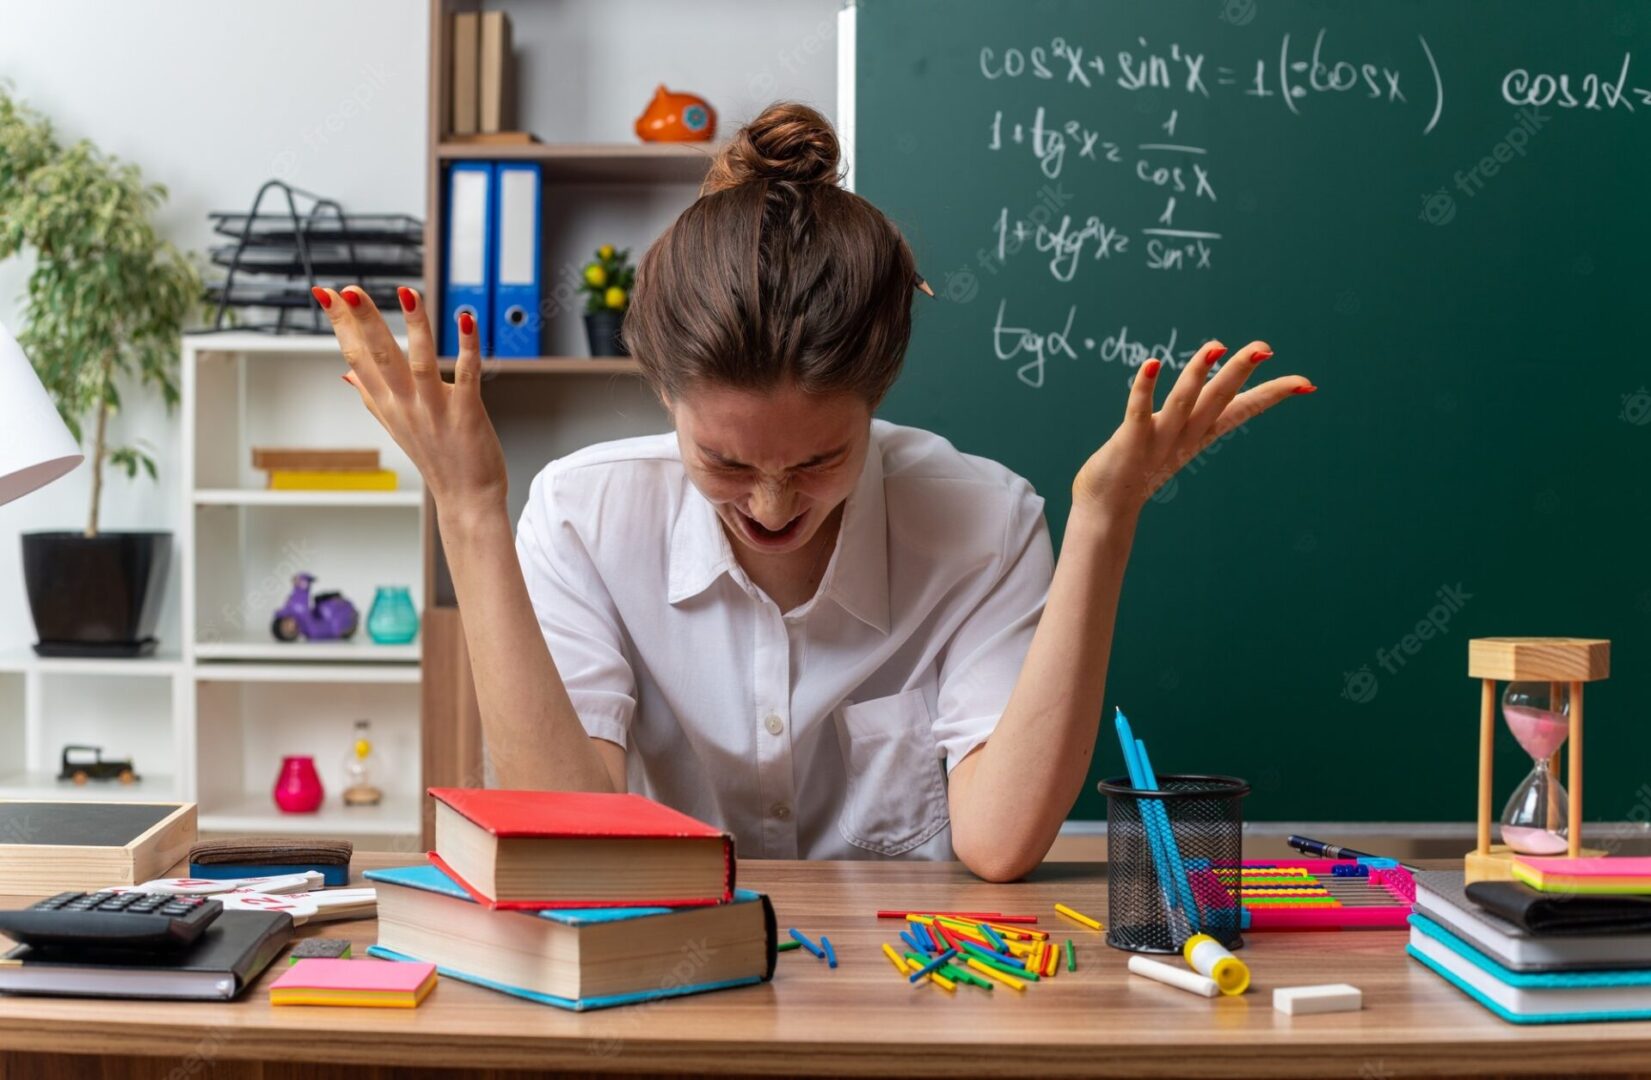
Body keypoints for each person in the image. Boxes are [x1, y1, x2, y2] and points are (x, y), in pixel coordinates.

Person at [311, 102, 1312, 881]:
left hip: (909, 994)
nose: (775, 506)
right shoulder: (582, 517)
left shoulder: (986, 523)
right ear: (663, 394)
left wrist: (1104, 519)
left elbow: (1002, 842)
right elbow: (571, 841)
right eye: (729, 465)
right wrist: (470, 509)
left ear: (879, 398)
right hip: (657, 985)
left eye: (819, 462)